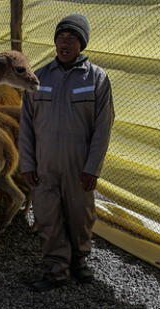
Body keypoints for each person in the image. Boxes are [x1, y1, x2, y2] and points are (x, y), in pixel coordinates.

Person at [19, 14, 115, 292]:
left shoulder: (96, 78)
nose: (65, 42)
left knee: (80, 215)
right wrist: (28, 163)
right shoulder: (40, 77)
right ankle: (55, 270)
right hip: (45, 163)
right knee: (48, 217)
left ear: (81, 43)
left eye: (72, 37)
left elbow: (103, 126)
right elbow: (26, 124)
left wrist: (93, 167)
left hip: (79, 165)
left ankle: (78, 261)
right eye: (61, 37)